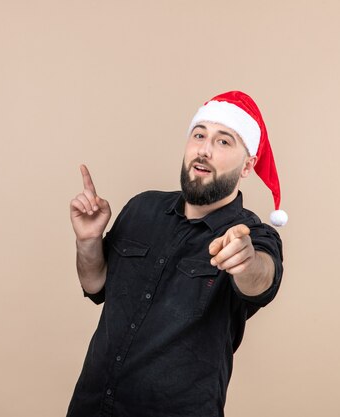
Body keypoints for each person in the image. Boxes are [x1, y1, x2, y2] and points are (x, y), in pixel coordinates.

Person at [67, 91, 286, 417]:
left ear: (247, 166)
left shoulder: (252, 235)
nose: (205, 149)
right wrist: (88, 240)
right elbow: (95, 284)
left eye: (224, 142)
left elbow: (262, 279)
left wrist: (246, 261)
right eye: (199, 135)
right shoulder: (142, 207)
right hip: (93, 404)